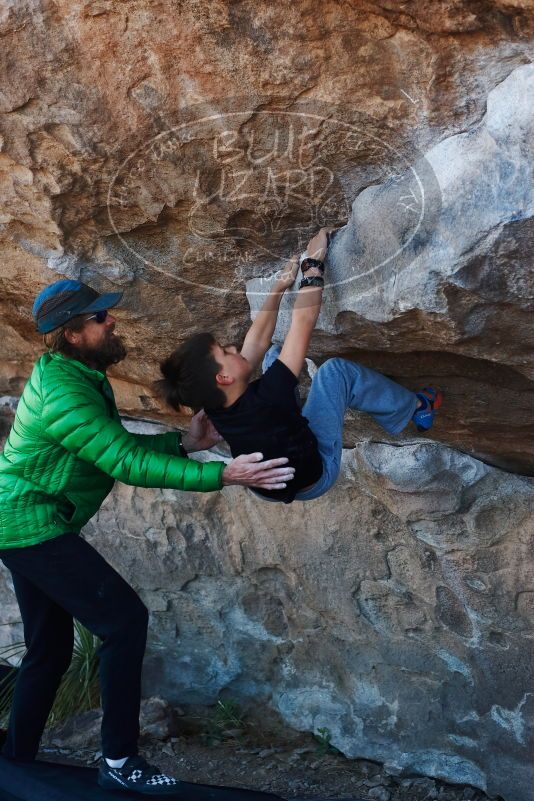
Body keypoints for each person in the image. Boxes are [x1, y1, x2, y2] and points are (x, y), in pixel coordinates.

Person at [0, 279, 295, 796]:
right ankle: (118, 760)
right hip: (28, 525)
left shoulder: (75, 373)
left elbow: (115, 444)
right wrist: (221, 474)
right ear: (72, 334)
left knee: (49, 648)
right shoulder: (65, 390)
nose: (111, 320)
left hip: (24, 520)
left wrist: (184, 442)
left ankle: (15, 762)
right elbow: (125, 462)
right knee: (123, 621)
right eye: (99, 318)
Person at [158, 228, 442, 505]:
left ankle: (290, 423)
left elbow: (255, 343)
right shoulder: (271, 394)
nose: (233, 348)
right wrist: (313, 264)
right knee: (335, 372)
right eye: (224, 351)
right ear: (224, 377)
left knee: (271, 356)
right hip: (316, 476)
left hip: (271, 483)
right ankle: (416, 407)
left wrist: (278, 288)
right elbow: (303, 321)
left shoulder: (214, 404)